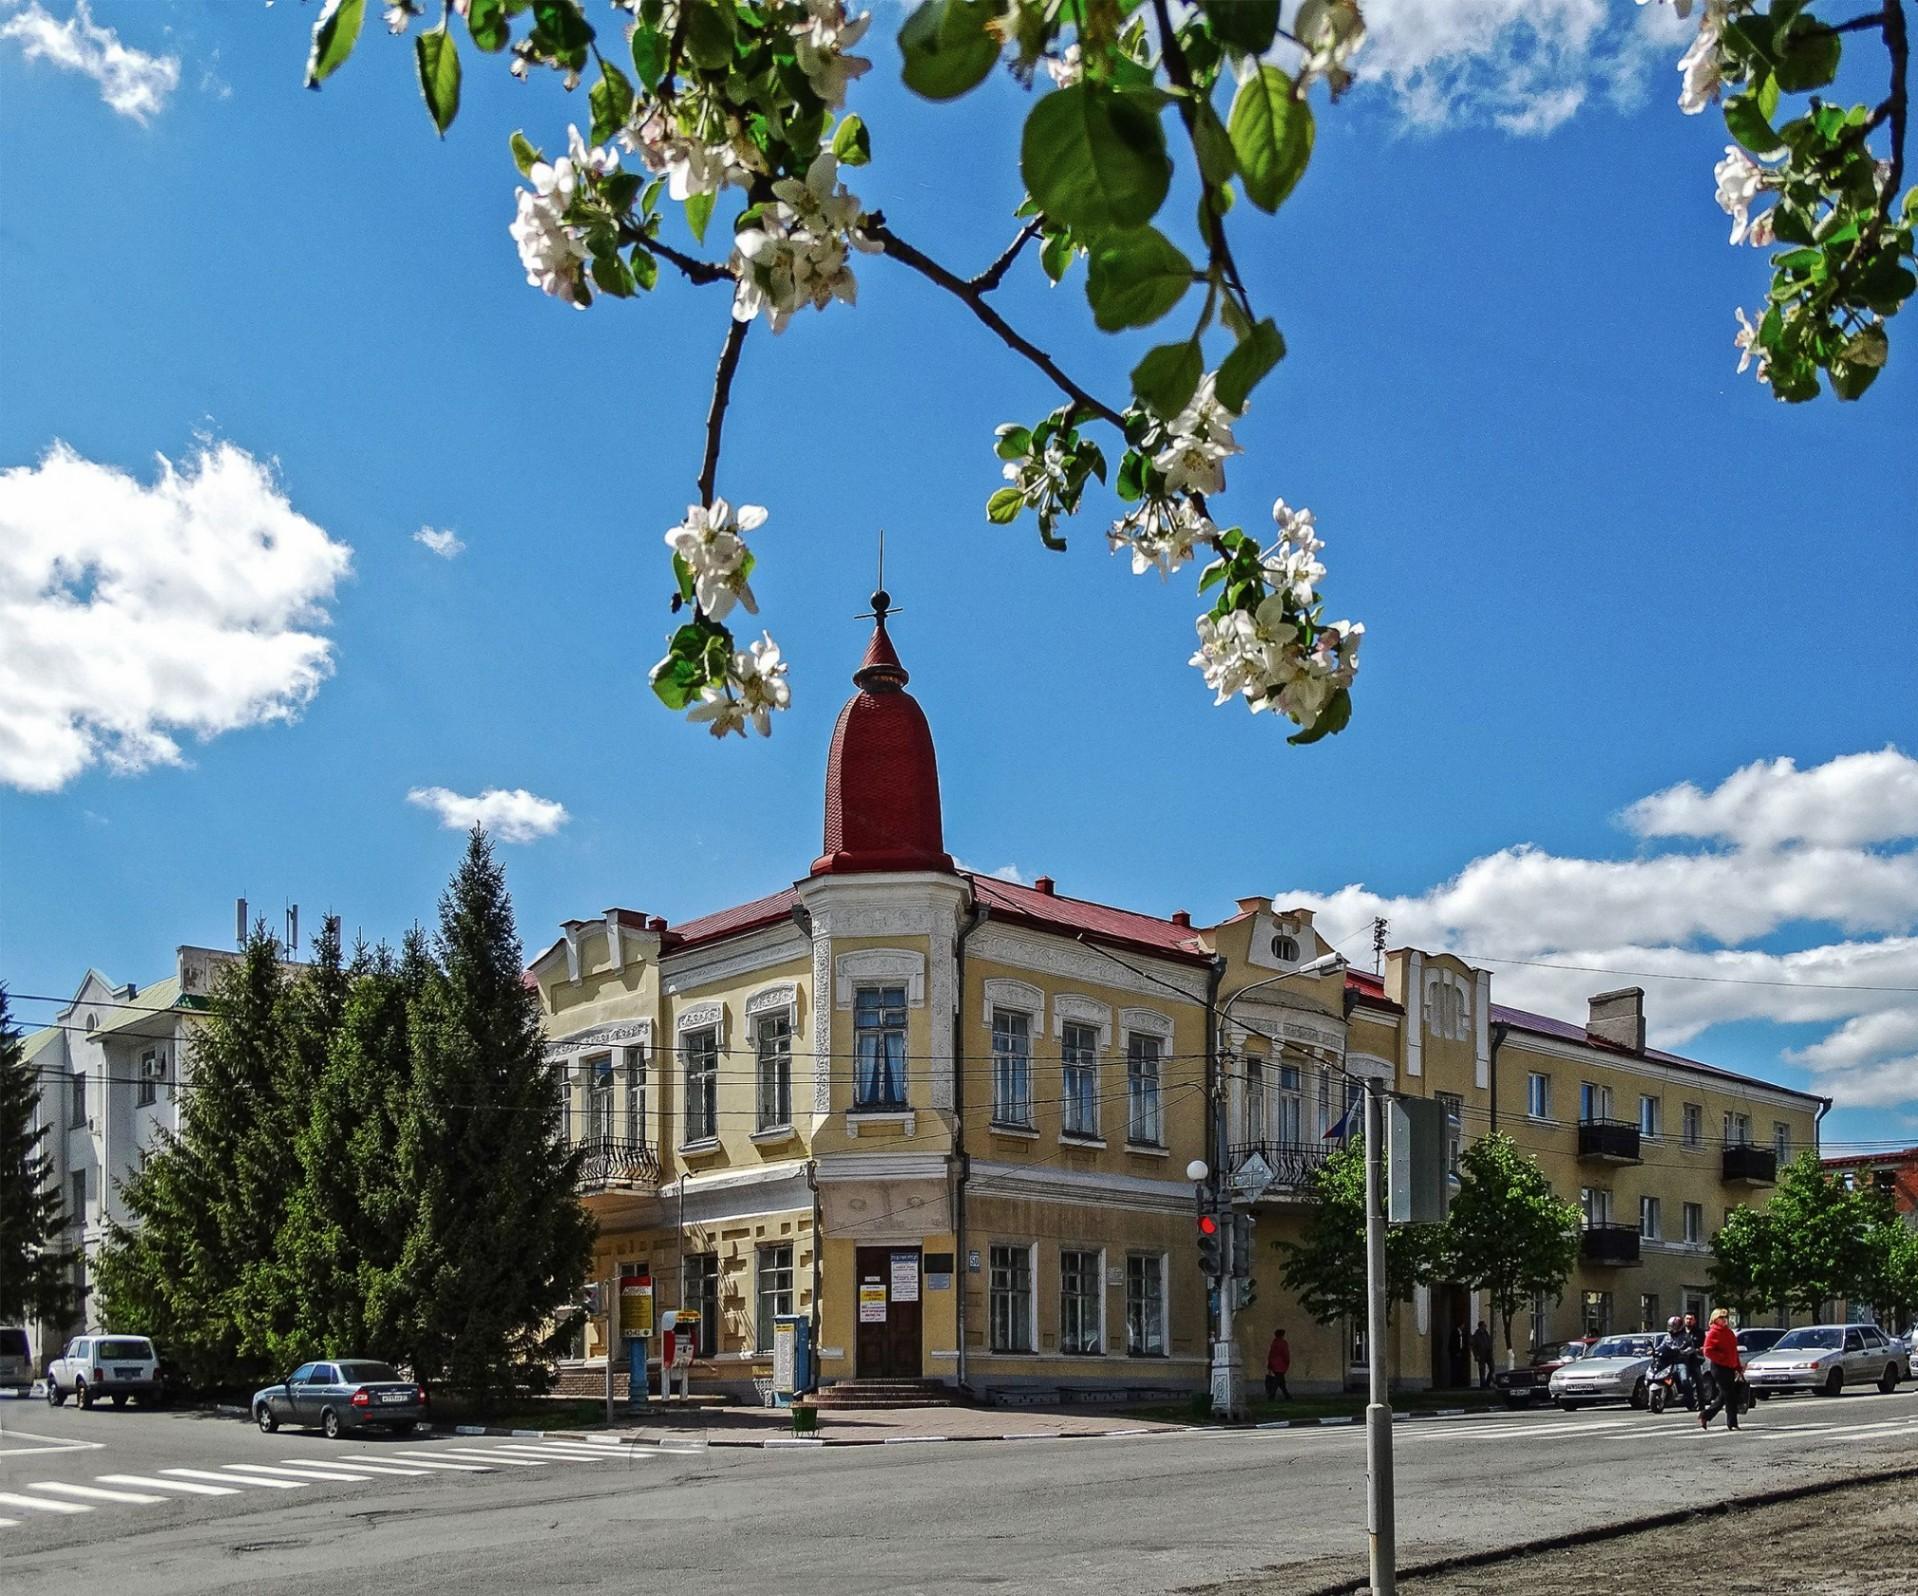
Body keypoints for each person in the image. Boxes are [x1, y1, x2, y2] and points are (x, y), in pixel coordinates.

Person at [1698, 1308, 1746, 1430]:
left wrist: (1738, 1366)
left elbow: (1734, 1352)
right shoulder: (1713, 1332)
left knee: (1724, 1395)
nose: (1725, 1320)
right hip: (1719, 1367)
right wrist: (1723, 1358)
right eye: (1721, 1318)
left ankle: (1706, 1415)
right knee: (1729, 1395)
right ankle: (1732, 1422)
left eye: (1726, 1318)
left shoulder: (1729, 1332)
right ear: (1715, 1319)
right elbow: (1707, 1350)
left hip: (1729, 1367)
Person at [1265, 1328, 1292, 1402]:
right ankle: (1272, 1395)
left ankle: (1287, 1395)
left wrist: (1270, 1364)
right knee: (1278, 1381)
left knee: (1281, 1381)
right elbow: (1285, 1353)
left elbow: (1271, 1354)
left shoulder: (1274, 1343)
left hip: (1274, 1364)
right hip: (1281, 1364)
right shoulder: (1283, 1343)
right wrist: (1287, 1362)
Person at [1471, 1320, 1494, 1389]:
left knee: (1492, 1368)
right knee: (1482, 1370)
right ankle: (1483, 1385)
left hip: (1488, 1354)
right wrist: (1476, 1355)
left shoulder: (1486, 1334)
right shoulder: (1476, 1335)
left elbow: (1489, 1342)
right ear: (1481, 1326)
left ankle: (1487, 1383)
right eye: (1484, 1325)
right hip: (1481, 1354)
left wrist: (1490, 1350)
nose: (1486, 1327)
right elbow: (1473, 1347)